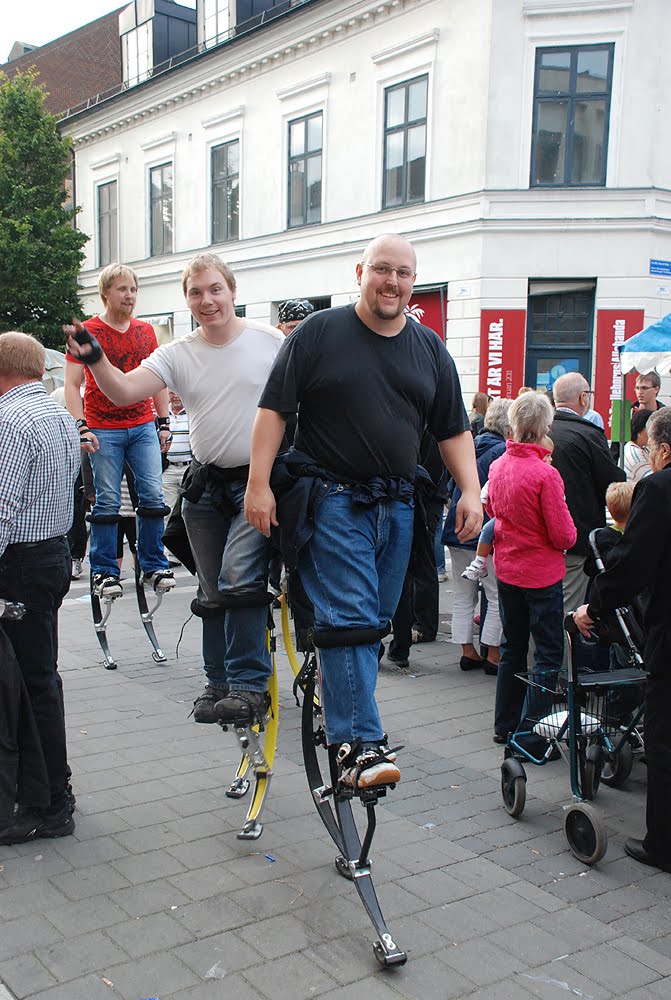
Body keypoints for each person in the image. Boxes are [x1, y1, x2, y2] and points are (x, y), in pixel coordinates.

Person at [244, 233, 482, 789]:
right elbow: (273, 411)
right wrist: (258, 484)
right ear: (360, 272)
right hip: (331, 499)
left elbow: (453, 429)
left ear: (413, 282)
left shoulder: (429, 348)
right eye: (382, 269)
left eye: (403, 273)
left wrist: (471, 490)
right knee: (351, 618)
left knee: (371, 624)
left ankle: (337, 693)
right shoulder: (318, 333)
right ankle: (358, 743)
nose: (391, 282)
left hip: (398, 506)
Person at [66, 253, 284, 725]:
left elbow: (303, 402)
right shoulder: (178, 352)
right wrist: (96, 360)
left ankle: (249, 687)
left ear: (232, 291)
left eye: (215, 289)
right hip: (205, 487)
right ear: (187, 299)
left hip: (257, 483)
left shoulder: (269, 341)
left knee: (239, 579)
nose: (207, 300)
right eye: (195, 292)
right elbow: (125, 391)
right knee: (212, 589)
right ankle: (217, 683)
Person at [574, 407, 671, 874]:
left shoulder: (659, 488)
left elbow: (632, 563)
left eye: (650, 449)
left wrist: (593, 607)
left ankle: (663, 844)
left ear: (664, 450)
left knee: (664, 737)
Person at [0, 332, 80, 845]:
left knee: (30, 686)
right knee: (40, 680)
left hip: (22, 564)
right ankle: (50, 792)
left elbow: (2, 509)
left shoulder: (10, 420)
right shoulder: (58, 415)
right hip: (50, 555)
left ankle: (49, 802)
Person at [64, 263, 175, 600]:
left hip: (141, 423)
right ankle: (104, 571)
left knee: (153, 494)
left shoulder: (146, 331)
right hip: (103, 425)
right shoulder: (87, 331)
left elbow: (157, 379)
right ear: (106, 293)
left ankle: (154, 565)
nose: (129, 295)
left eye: (133, 289)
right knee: (107, 499)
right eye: (122, 289)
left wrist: (163, 421)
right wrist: (81, 425)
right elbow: (72, 384)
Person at [487, 391, 576, 744]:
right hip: (541, 574)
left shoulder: (498, 466)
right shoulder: (545, 474)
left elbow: (494, 513)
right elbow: (563, 534)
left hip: (508, 568)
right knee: (548, 652)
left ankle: (504, 724)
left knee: (512, 646)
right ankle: (532, 730)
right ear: (545, 428)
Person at [444, 399, 512, 674]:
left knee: (464, 594)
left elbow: (451, 485)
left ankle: (467, 651)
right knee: (494, 594)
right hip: (485, 532)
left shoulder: (471, 445)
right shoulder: (502, 451)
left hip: (457, 527)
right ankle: (493, 654)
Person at [549, 372, 625, 616]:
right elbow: (612, 483)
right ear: (583, 397)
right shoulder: (588, 434)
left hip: (537, 535)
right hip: (575, 535)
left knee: (539, 605)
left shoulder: (540, 430)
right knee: (567, 611)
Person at [462, 433, 554, 582]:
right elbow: (489, 487)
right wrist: (484, 501)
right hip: (511, 515)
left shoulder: (546, 474)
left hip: (523, 522)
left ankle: (480, 561)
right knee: (488, 529)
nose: (551, 459)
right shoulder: (515, 467)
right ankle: (479, 561)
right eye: (547, 455)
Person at [162, 389, 192, 513]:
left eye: (178, 393)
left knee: (188, 509)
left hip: (188, 468)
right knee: (166, 510)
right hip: (168, 468)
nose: (175, 396)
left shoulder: (192, 412)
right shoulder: (162, 414)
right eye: (172, 393)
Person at [624, 408, 653, 482]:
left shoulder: (643, 448)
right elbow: (654, 479)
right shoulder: (634, 455)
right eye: (650, 428)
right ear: (639, 430)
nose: (653, 432)